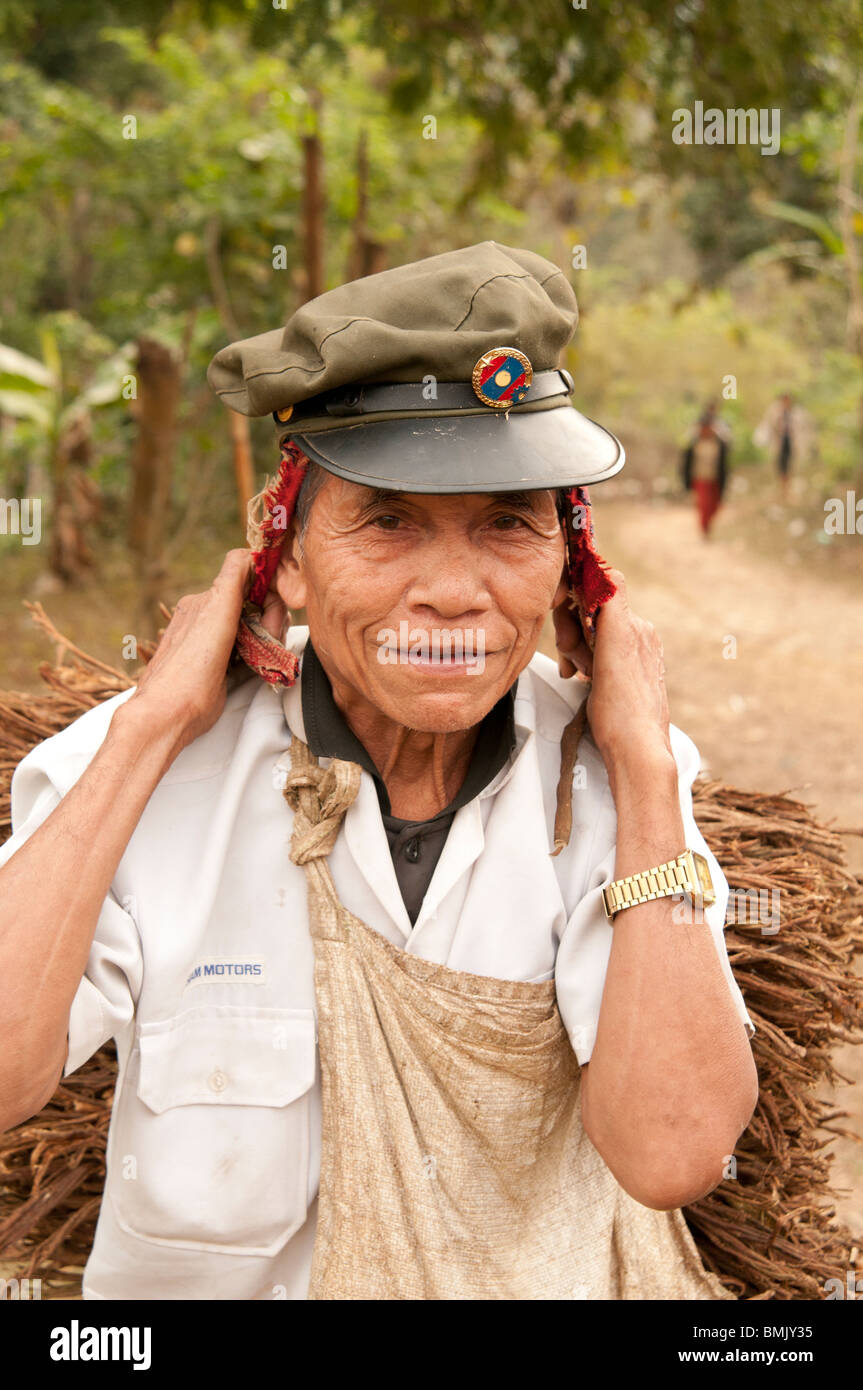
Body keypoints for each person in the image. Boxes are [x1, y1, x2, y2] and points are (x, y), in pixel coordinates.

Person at [0, 242, 757, 1300]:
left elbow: (671, 1153)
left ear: (574, 571)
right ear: (288, 556)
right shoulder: (137, 773)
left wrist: (638, 768)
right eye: (388, 521)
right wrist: (148, 727)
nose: (452, 591)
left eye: (508, 524)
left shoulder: (624, 791)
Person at [754, 392, 812, 502]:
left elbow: (801, 428)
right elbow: (769, 426)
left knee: (790, 466)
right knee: (780, 466)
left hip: (791, 443)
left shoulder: (796, 413)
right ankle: (783, 490)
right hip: (779, 443)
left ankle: (787, 490)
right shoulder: (775, 412)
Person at [682, 408, 730, 538]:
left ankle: (708, 525)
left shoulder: (719, 444)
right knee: (704, 505)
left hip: (715, 478)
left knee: (714, 506)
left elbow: (725, 463)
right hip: (700, 478)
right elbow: (686, 464)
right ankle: (704, 529)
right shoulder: (693, 444)